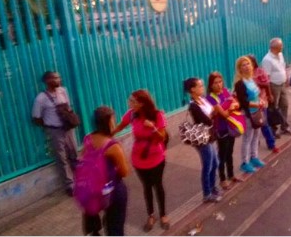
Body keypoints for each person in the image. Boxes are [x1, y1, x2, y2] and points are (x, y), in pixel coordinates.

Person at [112, 90, 170, 231]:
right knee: (146, 186)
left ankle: (163, 214)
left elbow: (161, 137)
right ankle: (151, 215)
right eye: (130, 100)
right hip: (138, 158)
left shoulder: (157, 115)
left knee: (158, 185)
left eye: (132, 101)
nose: (129, 103)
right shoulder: (132, 114)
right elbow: (120, 126)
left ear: (142, 103)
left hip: (156, 157)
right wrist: (106, 136)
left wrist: (153, 128)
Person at [82, 106, 130, 236]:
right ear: (109, 122)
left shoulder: (88, 138)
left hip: (95, 190)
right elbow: (125, 172)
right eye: (113, 119)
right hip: (113, 190)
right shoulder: (112, 146)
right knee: (116, 227)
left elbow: (83, 160)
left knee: (106, 216)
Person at [32, 71, 78, 196]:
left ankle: (81, 180)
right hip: (55, 131)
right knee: (62, 158)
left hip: (68, 128)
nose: (58, 79)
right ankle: (70, 185)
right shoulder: (41, 98)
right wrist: (50, 125)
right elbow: (36, 117)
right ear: (47, 81)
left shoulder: (63, 91)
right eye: (55, 78)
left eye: (59, 77)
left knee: (74, 154)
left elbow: (68, 107)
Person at [184, 77, 222, 203]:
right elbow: (206, 120)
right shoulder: (193, 106)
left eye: (202, 85)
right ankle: (207, 193)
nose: (203, 87)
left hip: (209, 134)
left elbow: (211, 114)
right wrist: (214, 112)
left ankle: (212, 187)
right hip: (201, 136)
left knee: (215, 162)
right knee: (208, 165)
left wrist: (213, 113)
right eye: (199, 86)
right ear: (192, 89)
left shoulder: (202, 100)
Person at [206, 72, 243, 190]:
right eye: (215, 83)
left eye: (220, 82)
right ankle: (222, 179)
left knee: (230, 152)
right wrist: (229, 105)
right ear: (211, 85)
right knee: (222, 154)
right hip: (220, 129)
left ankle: (231, 175)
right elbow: (224, 114)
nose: (219, 85)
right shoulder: (210, 98)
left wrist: (231, 105)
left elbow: (236, 104)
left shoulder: (226, 91)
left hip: (231, 126)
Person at [234, 56, 267, 174]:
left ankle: (254, 158)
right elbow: (243, 102)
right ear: (239, 69)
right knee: (247, 138)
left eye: (248, 64)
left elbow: (256, 95)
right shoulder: (240, 83)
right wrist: (257, 104)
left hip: (257, 113)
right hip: (248, 114)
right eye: (243, 65)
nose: (247, 66)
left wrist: (261, 101)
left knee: (256, 137)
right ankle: (245, 162)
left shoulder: (251, 79)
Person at [261, 37, 291, 137]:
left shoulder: (280, 54)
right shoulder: (267, 60)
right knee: (273, 108)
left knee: (284, 105)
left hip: (282, 84)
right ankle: (273, 129)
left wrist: (287, 77)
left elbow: (283, 67)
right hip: (273, 85)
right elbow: (267, 77)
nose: (282, 47)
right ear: (274, 47)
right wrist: (269, 93)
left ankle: (284, 126)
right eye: (281, 46)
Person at [248, 55, 280, 153]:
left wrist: (269, 95)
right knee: (252, 126)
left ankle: (271, 144)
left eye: (249, 63)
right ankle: (254, 145)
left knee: (263, 124)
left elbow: (266, 84)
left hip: (260, 101)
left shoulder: (260, 71)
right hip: (249, 104)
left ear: (254, 62)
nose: (247, 66)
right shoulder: (244, 75)